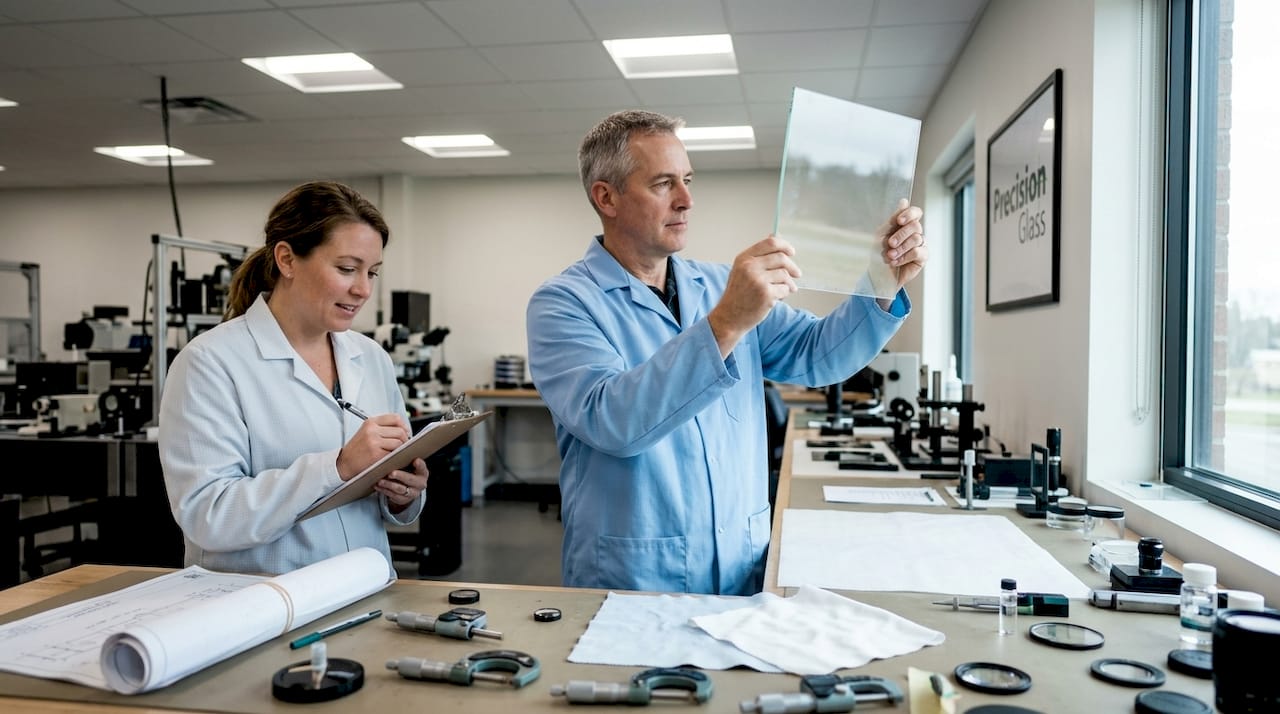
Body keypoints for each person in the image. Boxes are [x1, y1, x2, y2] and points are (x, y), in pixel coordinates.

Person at [527, 110, 927, 595]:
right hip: (634, 578)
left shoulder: (717, 285)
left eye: (688, 180)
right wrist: (726, 323)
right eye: (663, 184)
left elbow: (819, 355)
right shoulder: (563, 303)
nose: (687, 200)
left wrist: (883, 281)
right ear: (606, 197)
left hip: (742, 564)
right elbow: (612, 420)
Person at [158, 181, 427, 576]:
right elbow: (207, 515)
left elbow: (384, 492)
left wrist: (404, 493)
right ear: (286, 259)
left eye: (372, 272)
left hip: (365, 588)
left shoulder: (370, 357)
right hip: (263, 604)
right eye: (347, 269)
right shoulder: (210, 362)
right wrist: (337, 467)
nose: (363, 289)